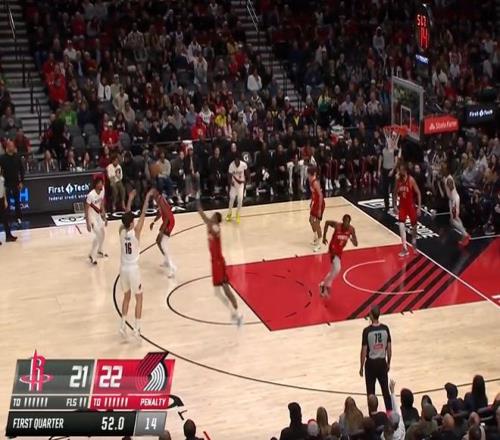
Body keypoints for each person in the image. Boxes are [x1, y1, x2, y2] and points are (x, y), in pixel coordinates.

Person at [197, 199, 242, 325]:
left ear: (216, 220)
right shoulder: (211, 225)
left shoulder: (216, 228)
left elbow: (212, 228)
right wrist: (199, 207)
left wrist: (205, 219)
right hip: (214, 262)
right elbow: (204, 218)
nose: (210, 217)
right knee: (217, 292)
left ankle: (237, 313)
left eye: (212, 217)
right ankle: (233, 312)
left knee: (226, 288)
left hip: (218, 263)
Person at [119, 188, 154, 339]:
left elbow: (126, 217)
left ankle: (122, 326)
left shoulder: (121, 231)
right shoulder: (136, 231)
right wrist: (147, 198)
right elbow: (143, 214)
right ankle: (136, 328)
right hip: (133, 270)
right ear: (132, 223)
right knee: (139, 298)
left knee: (126, 297)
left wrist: (130, 200)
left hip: (123, 269)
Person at [360, 305, 392, 411]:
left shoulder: (367, 331)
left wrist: (361, 366)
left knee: (370, 392)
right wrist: (388, 363)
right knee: (385, 391)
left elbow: (364, 350)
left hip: (371, 364)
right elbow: (389, 349)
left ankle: (373, 413)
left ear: (371, 316)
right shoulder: (385, 329)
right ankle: (390, 413)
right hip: (382, 362)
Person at [320, 214, 358, 297]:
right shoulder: (337, 225)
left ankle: (324, 284)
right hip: (333, 249)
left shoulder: (351, 229)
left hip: (340, 251)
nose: (346, 223)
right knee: (337, 268)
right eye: (345, 221)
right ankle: (326, 285)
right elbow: (327, 222)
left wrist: (353, 240)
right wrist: (324, 237)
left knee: (333, 270)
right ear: (343, 221)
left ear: (349, 222)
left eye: (347, 222)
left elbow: (356, 244)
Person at [393, 162, 422, 257]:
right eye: (399, 170)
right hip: (402, 206)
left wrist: (419, 207)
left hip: (410, 206)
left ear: (405, 171)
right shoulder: (398, 180)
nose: (399, 172)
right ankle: (404, 248)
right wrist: (394, 205)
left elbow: (418, 193)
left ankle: (414, 242)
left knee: (414, 227)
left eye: (401, 170)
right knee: (401, 225)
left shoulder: (411, 180)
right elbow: (394, 193)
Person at [150, 189, 176, 278]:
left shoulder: (161, 201)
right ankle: (166, 260)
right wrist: (154, 222)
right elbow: (161, 213)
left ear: (157, 193)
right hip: (167, 221)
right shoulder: (159, 199)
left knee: (163, 244)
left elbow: (168, 217)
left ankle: (172, 268)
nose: (152, 194)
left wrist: (162, 231)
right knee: (158, 241)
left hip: (169, 222)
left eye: (153, 192)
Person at [0, 140, 24, 223]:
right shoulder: (2, 158)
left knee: (17, 202)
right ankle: (7, 219)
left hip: (16, 183)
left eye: (13, 146)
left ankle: (18, 218)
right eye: (10, 146)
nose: (12, 147)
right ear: (7, 147)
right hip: (6, 184)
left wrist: (21, 181)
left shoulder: (17, 157)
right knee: (6, 203)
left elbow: (22, 170)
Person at [84, 177, 107, 265]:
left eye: (102, 183)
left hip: (98, 216)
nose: (101, 185)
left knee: (103, 233)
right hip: (92, 217)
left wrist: (104, 215)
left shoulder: (102, 190)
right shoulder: (91, 195)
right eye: (100, 183)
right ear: (96, 185)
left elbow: (102, 203)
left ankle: (100, 250)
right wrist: (87, 223)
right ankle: (92, 255)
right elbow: (86, 209)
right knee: (98, 235)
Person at [444, 176, 470, 246]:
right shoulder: (447, 178)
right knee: (456, 218)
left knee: (453, 220)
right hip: (451, 200)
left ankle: (465, 234)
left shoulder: (449, 179)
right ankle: (464, 232)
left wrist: (453, 204)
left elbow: (451, 188)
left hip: (454, 200)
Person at [226, 154, 248, 224]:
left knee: (240, 200)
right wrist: (230, 182)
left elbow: (247, 173)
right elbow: (229, 176)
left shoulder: (243, 165)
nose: (236, 161)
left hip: (241, 185)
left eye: (237, 160)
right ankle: (229, 213)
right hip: (234, 185)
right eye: (235, 160)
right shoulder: (231, 165)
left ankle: (238, 214)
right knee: (232, 199)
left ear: (239, 160)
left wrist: (247, 180)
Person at [308, 166, 325, 252]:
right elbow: (313, 194)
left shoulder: (315, 182)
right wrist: (312, 201)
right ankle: (315, 237)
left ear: (312, 174)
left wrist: (319, 209)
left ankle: (319, 243)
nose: (308, 176)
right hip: (315, 203)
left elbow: (321, 196)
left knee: (317, 224)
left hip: (320, 204)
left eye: (308, 174)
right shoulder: (311, 181)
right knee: (311, 220)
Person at [0, 164, 17, 243]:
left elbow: (3, 190)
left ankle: (8, 236)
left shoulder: (2, 178)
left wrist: (5, 200)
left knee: (5, 218)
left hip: (2, 199)